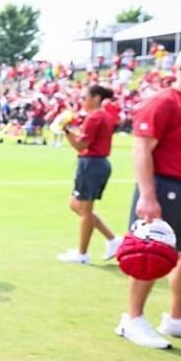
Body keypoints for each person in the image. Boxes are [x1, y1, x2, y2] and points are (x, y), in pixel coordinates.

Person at [116, 51, 181, 349]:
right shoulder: (163, 102)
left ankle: (177, 318)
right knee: (150, 253)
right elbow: (141, 149)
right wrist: (148, 195)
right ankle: (132, 318)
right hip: (163, 185)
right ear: (176, 69)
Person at [57, 84, 118, 264]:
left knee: (84, 210)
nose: (83, 101)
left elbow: (80, 145)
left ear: (96, 98)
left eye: (85, 97)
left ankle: (82, 254)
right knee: (76, 205)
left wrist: (65, 130)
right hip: (95, 163)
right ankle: (112, 239)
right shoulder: (102, 115)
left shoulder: (95, 117)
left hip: (91, 164)